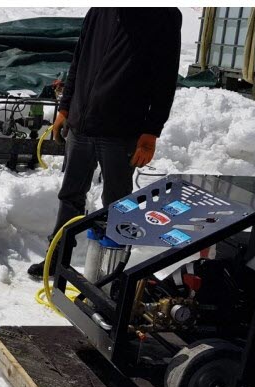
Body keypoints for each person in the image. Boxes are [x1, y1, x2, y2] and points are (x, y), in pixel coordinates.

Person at [28, 7, 182, 278]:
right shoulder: (99, 11)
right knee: (70, 197)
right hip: (81, 126)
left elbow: (165, 78)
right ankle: (56, 259)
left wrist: (151, 131)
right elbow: (78, 62)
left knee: (117, 204)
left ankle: (108, 273)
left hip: (121, 132)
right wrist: (65, 109)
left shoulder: (164, 15)